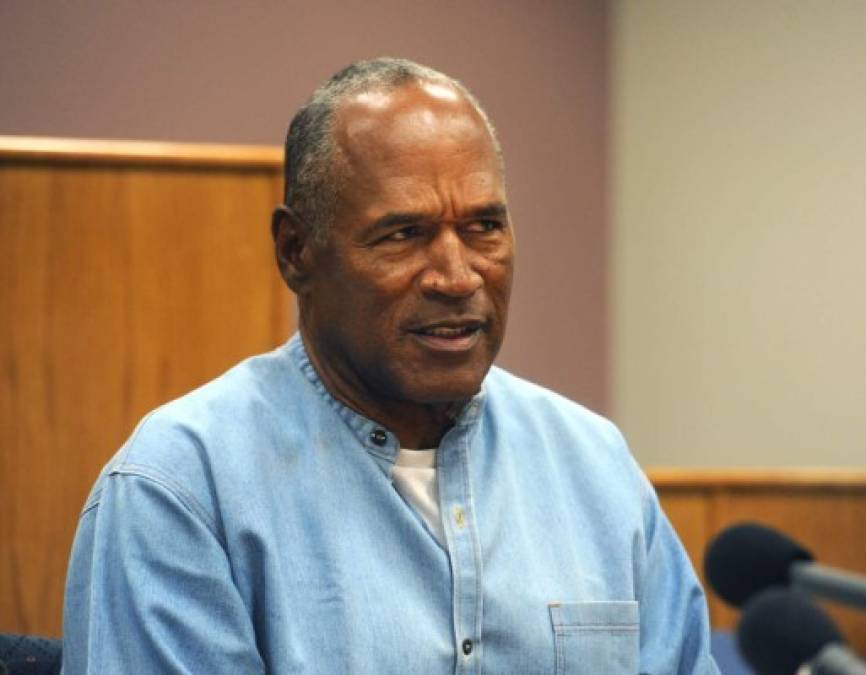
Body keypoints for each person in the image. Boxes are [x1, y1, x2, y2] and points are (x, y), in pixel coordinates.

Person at [63, 58, 719, 674]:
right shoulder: (180, 488)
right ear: (297, 252)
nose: (457, 276)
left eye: (484, 227)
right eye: (404, 233)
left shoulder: (594, 467)